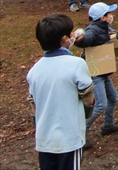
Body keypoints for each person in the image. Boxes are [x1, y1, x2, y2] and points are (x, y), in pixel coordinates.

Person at [27, 14, 95, 170]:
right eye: (71, 33)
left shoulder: (34, 71)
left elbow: (33, 106)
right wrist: (86, 113)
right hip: (69, 139)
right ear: (65, 39)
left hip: (44, 140)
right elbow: (88, 98)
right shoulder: (76, 64)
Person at [73, 2, 118, 148]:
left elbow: (105, 37)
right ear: (103, 17)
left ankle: (107, 126)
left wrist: (117, 36)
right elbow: (88, 39)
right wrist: (80, 39)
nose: (111, 16)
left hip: (101, 71)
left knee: (113, 97)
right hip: (95, 73)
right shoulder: (93, 30)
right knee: (100, 104)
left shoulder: (102, 28)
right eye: (109, 14)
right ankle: (80, 134)